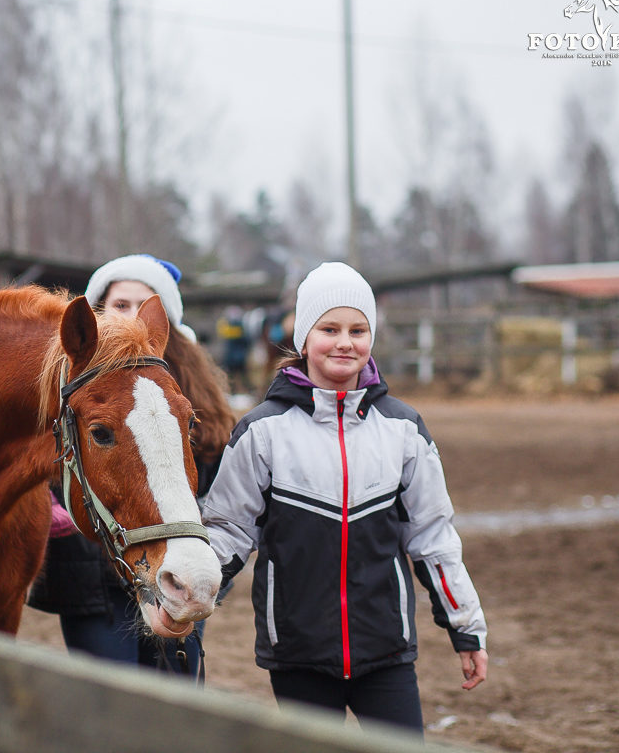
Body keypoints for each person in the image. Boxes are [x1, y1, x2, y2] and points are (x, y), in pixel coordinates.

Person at [200, 261, 488, 733]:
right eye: (329, 328)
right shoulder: (261, 432)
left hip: (385, 652)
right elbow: (227, 531)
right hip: (298, 654)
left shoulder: (404, 430)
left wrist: (466, 628)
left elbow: (433, 536)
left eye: (358, 329)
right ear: (303, 338)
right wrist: (186, 601)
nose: (344, 341)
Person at [27, 253, 235, 679]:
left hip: (170, 563)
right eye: (120, 305)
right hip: (91, 583)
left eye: (143, 307)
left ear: (165, 324)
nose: (131, 318)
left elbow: (219, 490)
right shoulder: (66, 383)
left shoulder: (193, 400)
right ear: (97, 311)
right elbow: (36, 457)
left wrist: (207, 564)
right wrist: (45, 509)